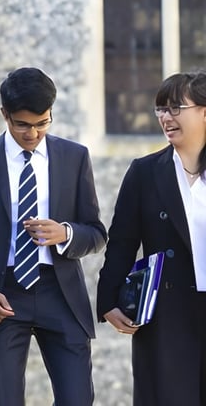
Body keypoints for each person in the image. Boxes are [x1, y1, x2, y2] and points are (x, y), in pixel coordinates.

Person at [0, 67, 107, 406]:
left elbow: (96, 233)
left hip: (61, 294)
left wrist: (65, 233)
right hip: (3, 295)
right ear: (4, 114)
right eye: (22, 124)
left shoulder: (75, 157)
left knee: (78, 400)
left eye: (42, 123)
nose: (33, 133)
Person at [97, 72, 206, 405]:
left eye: (175, 108)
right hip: (166, 315)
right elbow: (122, 243)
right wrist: (108, 301)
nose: (165, 117)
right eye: (160, 109)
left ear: (204, 112)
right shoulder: (145, 172)